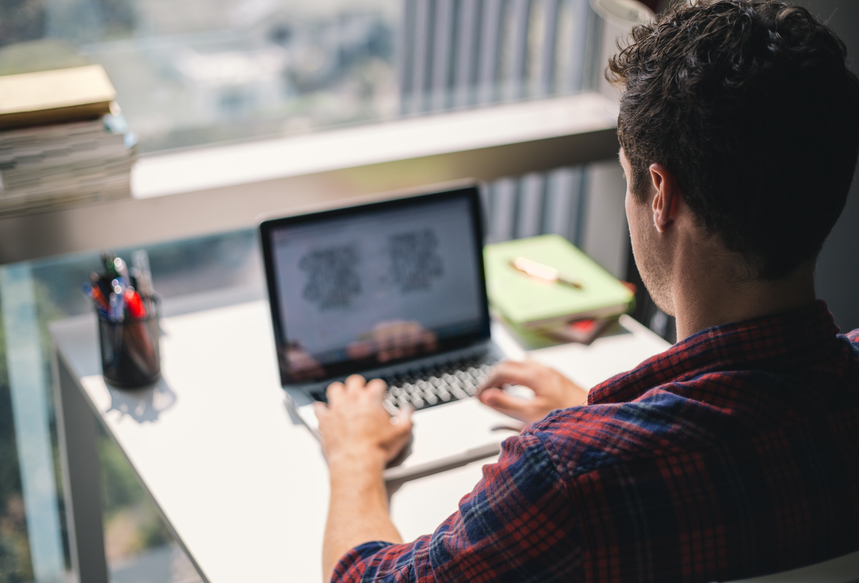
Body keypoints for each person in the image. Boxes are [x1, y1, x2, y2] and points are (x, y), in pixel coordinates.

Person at [313, 0, 859, 581]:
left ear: (661, 195)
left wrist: (353, 458)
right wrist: (610, 415)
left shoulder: (569, 479)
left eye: (628, 178)